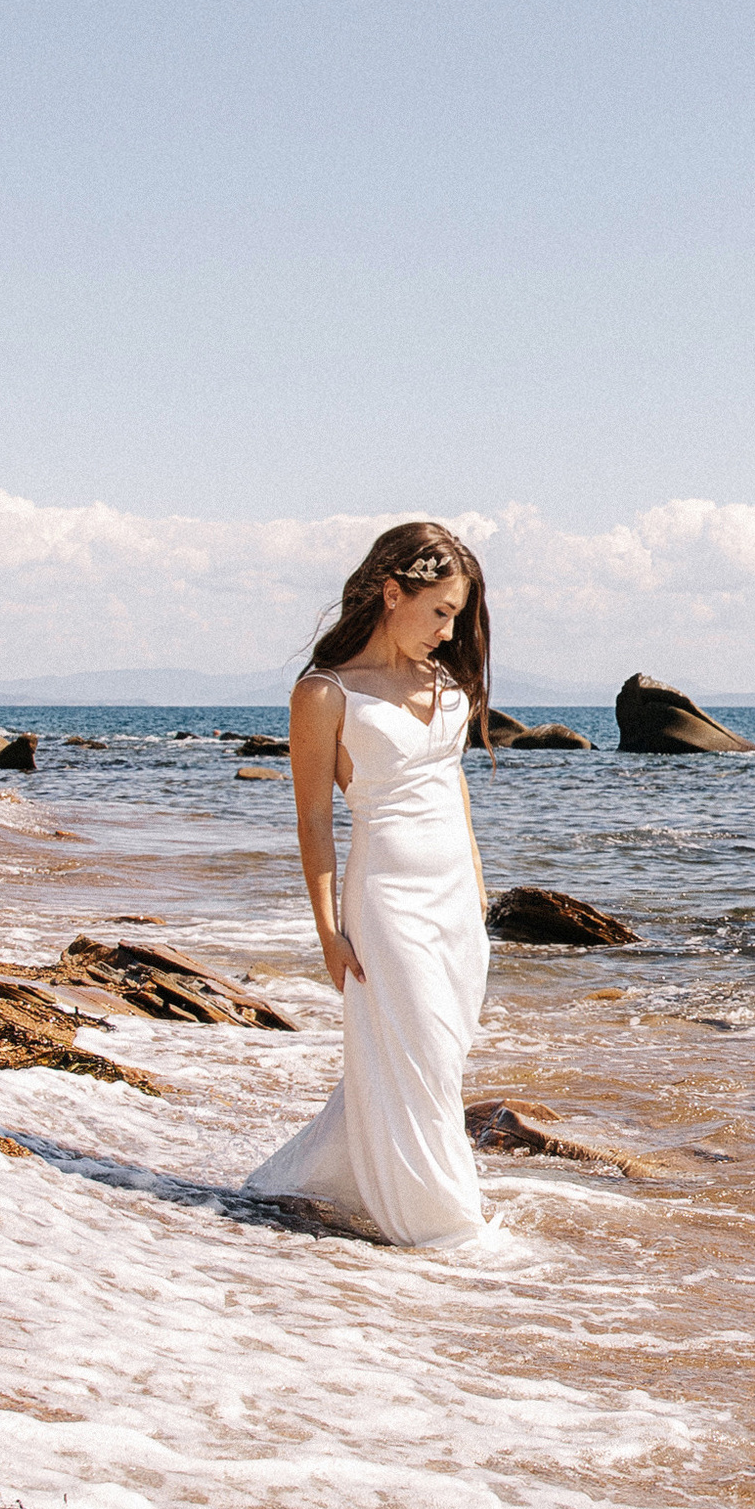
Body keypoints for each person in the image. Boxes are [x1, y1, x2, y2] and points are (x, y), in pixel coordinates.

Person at [246, 519, 496, 1248]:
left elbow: (451, 783)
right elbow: (314, 822)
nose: (449, 632)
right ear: (392, 593)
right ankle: (448, 1231)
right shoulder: (326, 693)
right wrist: (328, 931)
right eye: (440, 611)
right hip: (388, 900)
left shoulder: (444, 682)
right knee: (421, 1059)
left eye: (457, 616)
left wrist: (478, 885)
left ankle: (312, 1182)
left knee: (433, 1059)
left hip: (455, 901)